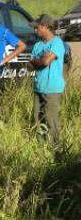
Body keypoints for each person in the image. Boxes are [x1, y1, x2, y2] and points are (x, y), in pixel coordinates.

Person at [29, 14, 66, 148]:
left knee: (51, 120)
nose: (35, 30)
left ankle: (56, 149)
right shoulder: (37, 45)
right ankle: (41, 148)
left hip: (52, 88)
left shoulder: (57, 43)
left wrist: (36, 61)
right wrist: (38, 61)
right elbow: (29, 66)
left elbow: (45, 62)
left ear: (45, 27)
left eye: (37, 27)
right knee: (38, 119)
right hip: (38, 87)